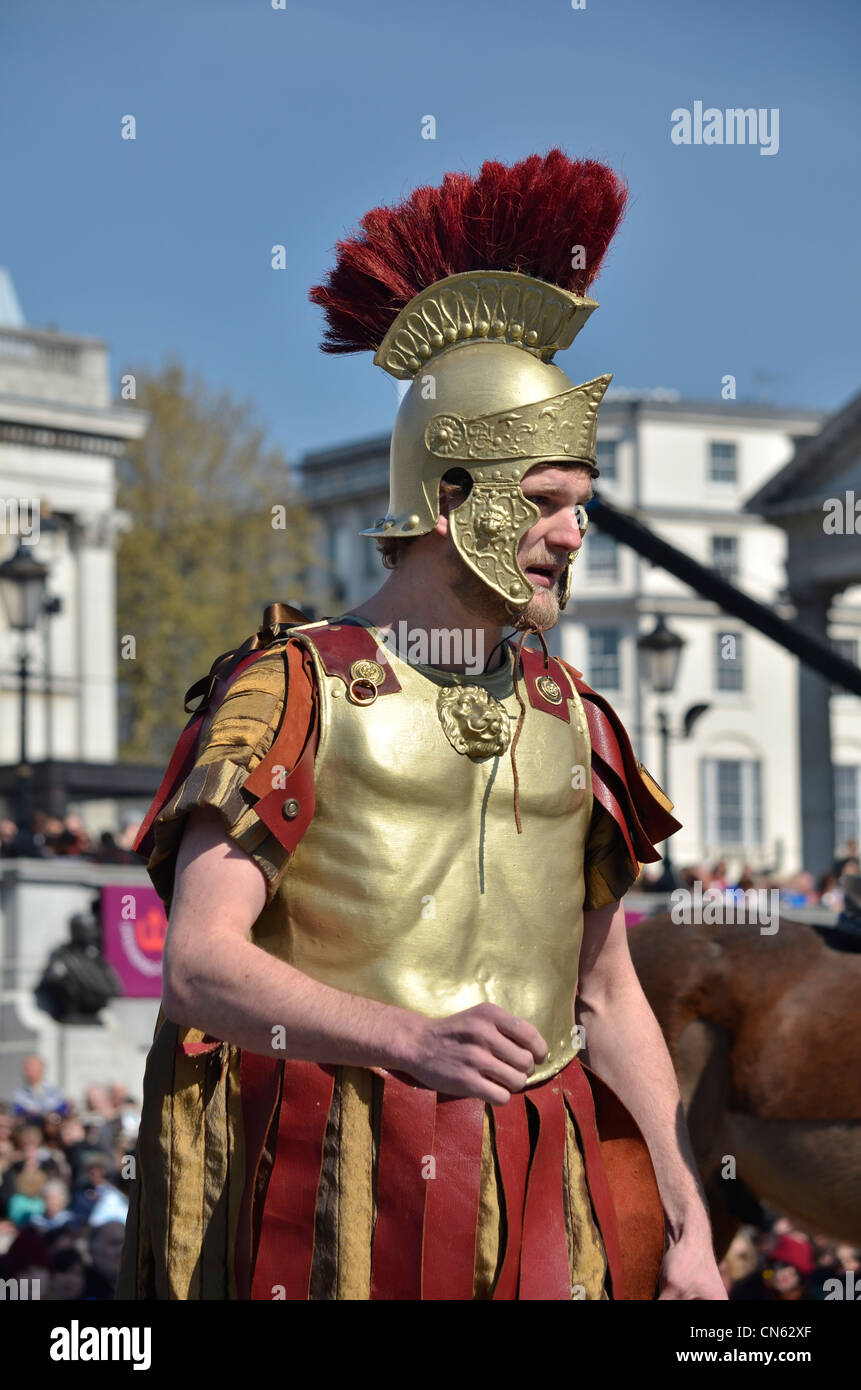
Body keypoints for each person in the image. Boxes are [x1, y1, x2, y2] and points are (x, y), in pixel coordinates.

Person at [119, 151, 725, 1301]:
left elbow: (609, 995)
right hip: (329, 1191)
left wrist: (688, 1217)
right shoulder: (290, 690)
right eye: (544, 501)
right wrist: (406, 1038)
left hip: (539, 1191)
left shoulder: (575, 718)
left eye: (583, 503)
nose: (572, 533)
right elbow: (199, 966)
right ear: (449, 501)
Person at [11, 1055, 69, 1121]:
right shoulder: (19, 1094)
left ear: (42, 1068)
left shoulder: (56, 1091)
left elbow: (62, 1109)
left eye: (33, 1067)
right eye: (26, 1068)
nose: (29, 1071)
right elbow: (19, 1112)